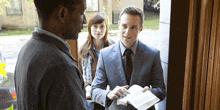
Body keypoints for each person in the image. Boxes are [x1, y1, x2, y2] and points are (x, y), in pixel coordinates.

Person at [14, 0, 88, 109]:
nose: (85, 20)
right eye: (81, 13)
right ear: (62, 13)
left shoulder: (27, 50)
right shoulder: (61, 67)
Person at [91, 6, 166, 110]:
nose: (127, 32)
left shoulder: (152, 54)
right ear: (118, 25)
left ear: (141, 29)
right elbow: (95, 90)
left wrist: (151, 93)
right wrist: (109, 94)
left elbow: (161, 91)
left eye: (133, 27)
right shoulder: (105, 55)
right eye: (124, 26)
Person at [78, 13, 114, 110]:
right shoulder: (83, 50)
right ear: (90, 28)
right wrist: (87, 86)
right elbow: (80, 76)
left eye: (102, 26)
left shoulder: (113, 48)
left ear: (106, 28)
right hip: (90, 98)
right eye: (95, 26)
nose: (99, 30)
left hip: (110, 95)